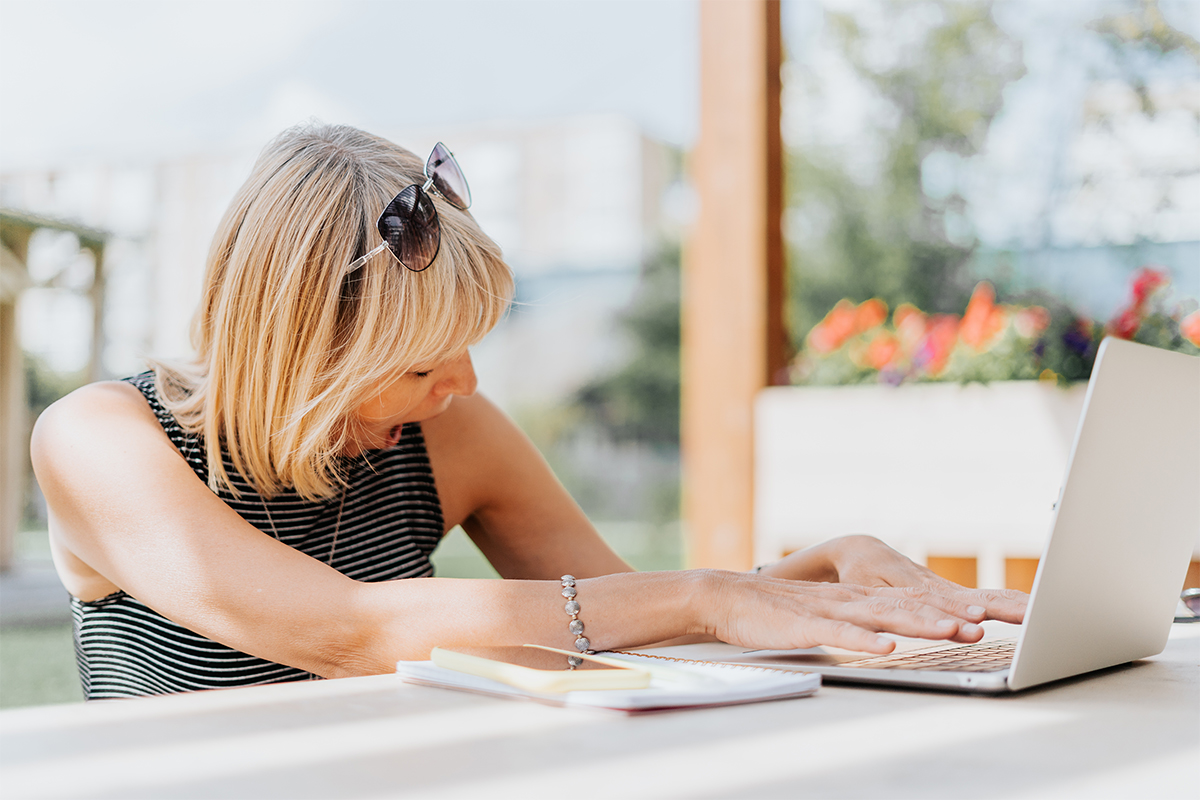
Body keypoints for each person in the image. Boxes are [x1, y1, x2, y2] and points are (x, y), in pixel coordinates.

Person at [31, 123, 1026, 699]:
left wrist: (827, 566)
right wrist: (708, 591)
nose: (460, 382)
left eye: (468, 344)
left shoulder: (449, 432)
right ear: (306, 351)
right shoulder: (99, 442)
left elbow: (642, 622)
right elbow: (342, 630)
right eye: (418, 364)